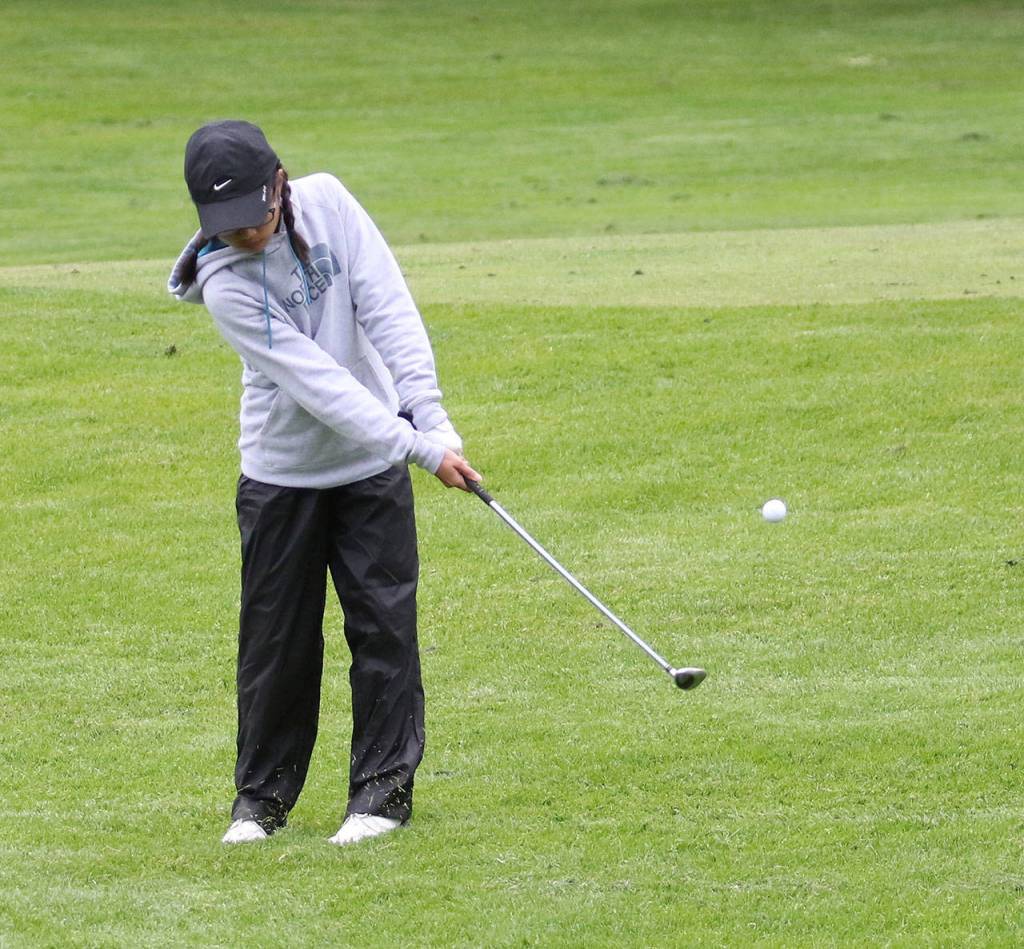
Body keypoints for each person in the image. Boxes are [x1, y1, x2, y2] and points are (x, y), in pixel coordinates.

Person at [167, 119, 481, 846]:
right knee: (276, 643)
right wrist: (417, 448)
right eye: (227, 225)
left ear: (279, 184)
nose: (245, 236)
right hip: (281, 475)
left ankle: (381, 796)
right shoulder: (224, 285)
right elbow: (320, 386)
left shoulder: (331, 203)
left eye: (254, 218)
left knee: (384, 629)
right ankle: (261, 800)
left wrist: (432, 418)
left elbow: (388, 308)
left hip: (369, 470)